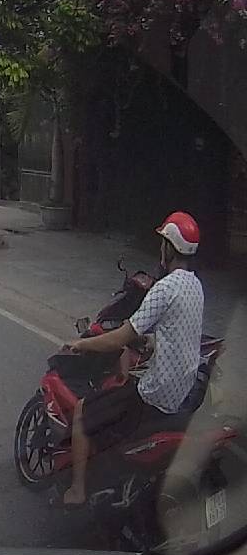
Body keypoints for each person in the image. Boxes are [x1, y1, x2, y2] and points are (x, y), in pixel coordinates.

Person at [61, 211, 204, 506]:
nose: (160, 248)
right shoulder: (195, 286)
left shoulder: (163, 288)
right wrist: (150, 342)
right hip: (183, 389)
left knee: (82, 410)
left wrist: (82, 344)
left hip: (156, 393)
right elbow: (176, 331)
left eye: (163, 242)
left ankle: (77, 491)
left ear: (169, 247)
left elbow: (119, 338)